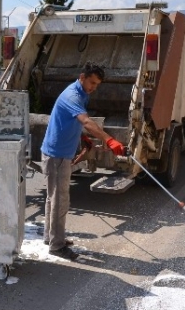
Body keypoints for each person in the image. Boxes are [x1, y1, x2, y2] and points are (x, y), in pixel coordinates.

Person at [40, 62, 124, 260]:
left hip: (59, 153)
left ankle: (50, 237)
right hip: (57, 155)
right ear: (82, 77)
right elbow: (85, 121)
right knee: (60, 200)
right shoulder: (73, 95)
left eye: (97, 84)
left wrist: (82, 137)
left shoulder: (81, 93)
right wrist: (108, 139)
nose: (93, 87)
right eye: (91, 82)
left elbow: (72, 121)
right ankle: (57, 246)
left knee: (53, 197)